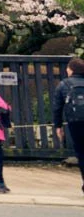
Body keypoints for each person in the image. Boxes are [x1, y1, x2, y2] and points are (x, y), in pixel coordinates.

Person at [52, 57, 84, 195]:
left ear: (71, 70)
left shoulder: (64, 84)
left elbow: (57, 108)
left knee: (81, 153)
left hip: (75, 122)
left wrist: (58, 126)